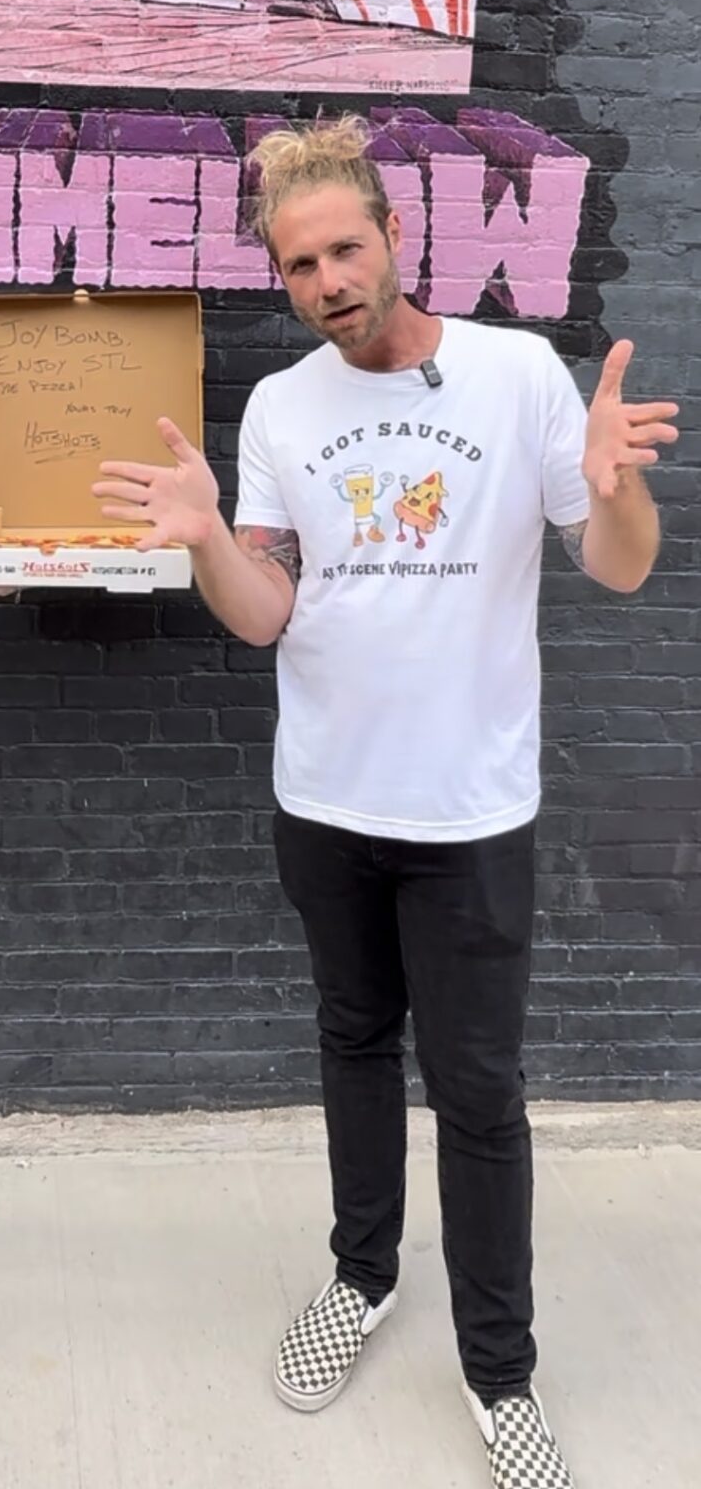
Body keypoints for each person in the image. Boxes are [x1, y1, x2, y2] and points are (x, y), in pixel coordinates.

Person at [93, 118, 677, 1489]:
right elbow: (264, 614)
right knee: (352, 1045)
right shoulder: (282, 408)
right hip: (327, 801)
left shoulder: (516, 373)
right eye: (297, 266)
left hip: (469, 811)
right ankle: (359, 1279)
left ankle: (499, 1369)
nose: (325, 281)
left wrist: (619, 481)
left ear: (394, 235)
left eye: (343, 249)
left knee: (476, 1095)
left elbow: (617, 567)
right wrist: (199, 547)